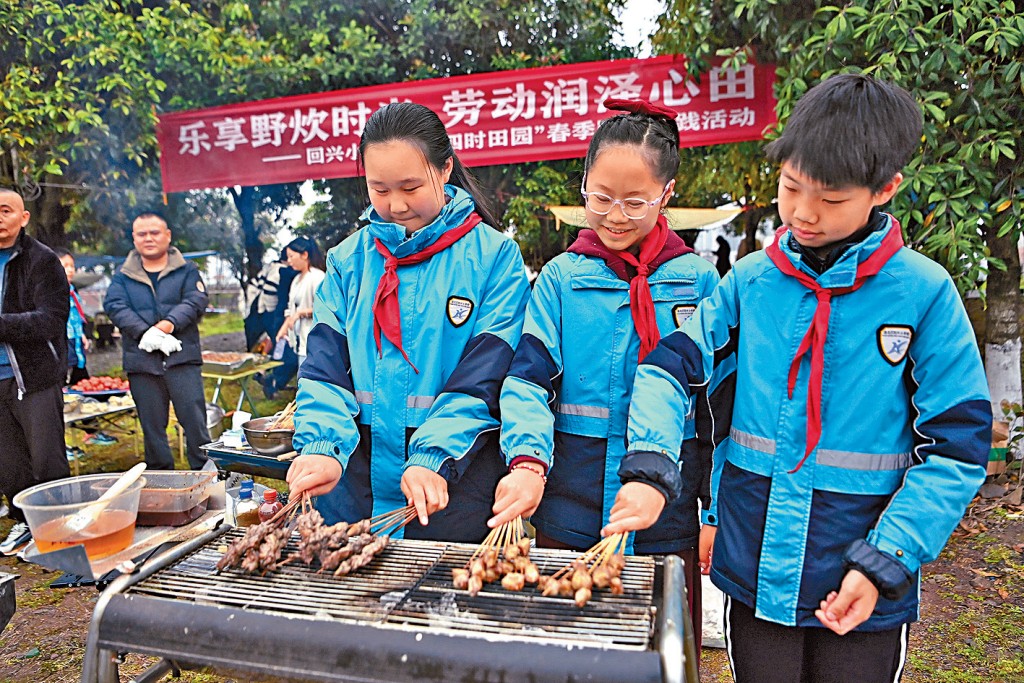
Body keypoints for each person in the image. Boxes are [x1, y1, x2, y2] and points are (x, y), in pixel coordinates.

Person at [625, 74, 991, 682]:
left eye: (832, 199)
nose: (802, 213)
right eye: (791, 187)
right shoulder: (750, 283)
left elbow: (958, 447)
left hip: (859, 571)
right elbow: (670, 369)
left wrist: (885, 559)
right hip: (755, 564)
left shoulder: (923, 294)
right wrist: (650, 465)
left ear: (885, 189)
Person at [492, 98, 726, 655]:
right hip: (568, 510)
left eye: (635, 201)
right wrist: (527, 462)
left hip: (667, 514)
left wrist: (715, 510)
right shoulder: (561, 280)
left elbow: (720, 409)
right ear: (583, 186)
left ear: (667, 194)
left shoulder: (698, 283)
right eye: (600, 197)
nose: (615, 215)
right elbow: (528, 380)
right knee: (567, 654)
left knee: (661, 656)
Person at [285, 102, 530, 542]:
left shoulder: (494, 257)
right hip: (351, 482)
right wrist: (322, 446)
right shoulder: (347, 261)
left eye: (411, 187)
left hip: (451, 482)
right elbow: (324, 366)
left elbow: (484, 376)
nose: (395, 205)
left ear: (446, 169)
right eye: (378, 189)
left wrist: (433, 456)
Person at [104, 211, 211, 470]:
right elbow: (114, 305)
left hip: (182, 360)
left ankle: (207, 476)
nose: (148, 238)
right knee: (152, 428)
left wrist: (167, 325)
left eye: (154, 232)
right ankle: (161, 479)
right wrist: (144, 332)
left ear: (167, 235)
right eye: (142, 234)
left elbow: (196, 300)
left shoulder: (187, 270)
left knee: (195, 422)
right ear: (134, 238)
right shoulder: (123, 275)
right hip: (142, 363)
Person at [0, 187, 70, 555]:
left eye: (6, 210)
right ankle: (24, 524)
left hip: (34, 377)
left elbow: (51, 319)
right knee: (8, 463)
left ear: (23, 217)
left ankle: (59, 529)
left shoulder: (42, 260)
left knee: (47, 459)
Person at [274, 237, 326, 370]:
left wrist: (301, 313)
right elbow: (290, 309)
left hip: (314, 343)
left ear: (304, 255)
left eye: (291, 256)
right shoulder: (296, 279)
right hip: (300, 342)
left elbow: (325, 309)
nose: (289, 261)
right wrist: (283, 329)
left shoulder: (318, 277)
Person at [244, 251, 296, 352]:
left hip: (255, 311)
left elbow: (252, 287)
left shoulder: (269, 267)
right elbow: (269, 290)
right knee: (270, 341)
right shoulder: (279, 270)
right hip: (264, 312)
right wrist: (270, 312)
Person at [53, 248, 91, 386]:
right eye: (65, 266)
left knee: (80, 376)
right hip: (61, 339)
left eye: (72, 266)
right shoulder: (50, 291)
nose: (70, 270)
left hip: (75, 338)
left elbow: (75, 316)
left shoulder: (72, 290)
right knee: (61, 375)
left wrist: (82, 335)